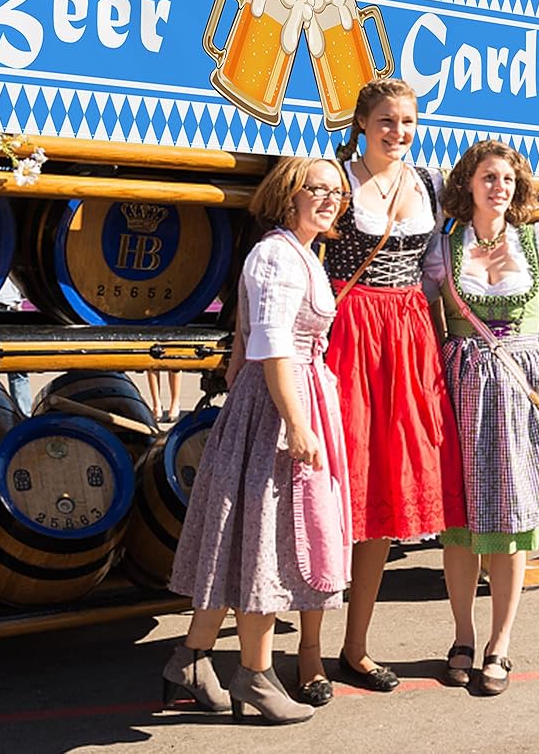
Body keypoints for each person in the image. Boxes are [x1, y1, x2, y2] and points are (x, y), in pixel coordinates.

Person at [164, 157, 353, 724]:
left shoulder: (300, 252)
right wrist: (296, 422)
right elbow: (273, 346)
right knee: (264, 541)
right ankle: (255, 675)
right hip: (276, 404)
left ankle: (191, 660)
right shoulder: (276, 255)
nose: (331, 199)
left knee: (243, 540)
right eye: (318, 189)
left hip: (292, 393)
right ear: (289, 193)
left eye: (338, 192)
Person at [312, 78, 466, 693]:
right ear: (361, 123)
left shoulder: (428, 182)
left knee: (383, 490)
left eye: (407, 121)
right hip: (349, 330)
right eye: (386, 120)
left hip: (407, 333)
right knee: (331, 491)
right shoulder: (337, 180)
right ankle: (308, 653)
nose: (398, 132)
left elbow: (441, 265)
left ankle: (356, 647)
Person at [423, 139, 539, 695]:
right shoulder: (444, 247)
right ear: (469, 182)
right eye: (489, 177)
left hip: (518, 393)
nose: (499, 187)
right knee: (461, 524)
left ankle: (500, 643)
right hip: (461, 388)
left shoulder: (538, 243)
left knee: (513, 520)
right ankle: (463, 636)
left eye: (508, 179)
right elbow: (426, 320)